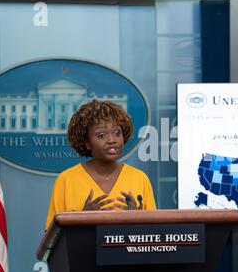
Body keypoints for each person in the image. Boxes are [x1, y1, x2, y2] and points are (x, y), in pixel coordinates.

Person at [45, 99, 157, 231]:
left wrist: (137, 217)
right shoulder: (66, 180)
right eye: (101, 135)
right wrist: (82, 218)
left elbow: (153, 235)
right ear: (86, 142)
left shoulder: (140, 178)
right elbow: (51, 238)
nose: (112, 140)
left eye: (117, 133)